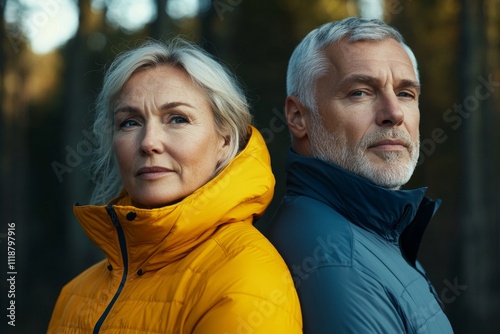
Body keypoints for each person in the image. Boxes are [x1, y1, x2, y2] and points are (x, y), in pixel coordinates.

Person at [48, 38, 302, 333]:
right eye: (129, 122)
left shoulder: (246, 278)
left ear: (224, 140)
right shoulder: (74, 294)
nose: (149, 142)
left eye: (177, 119)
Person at [267, 17, 454, 333]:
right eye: (360, 92)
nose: (393, 113)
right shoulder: (336, 261)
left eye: (406, 93)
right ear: (298, 117)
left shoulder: (374, 228)